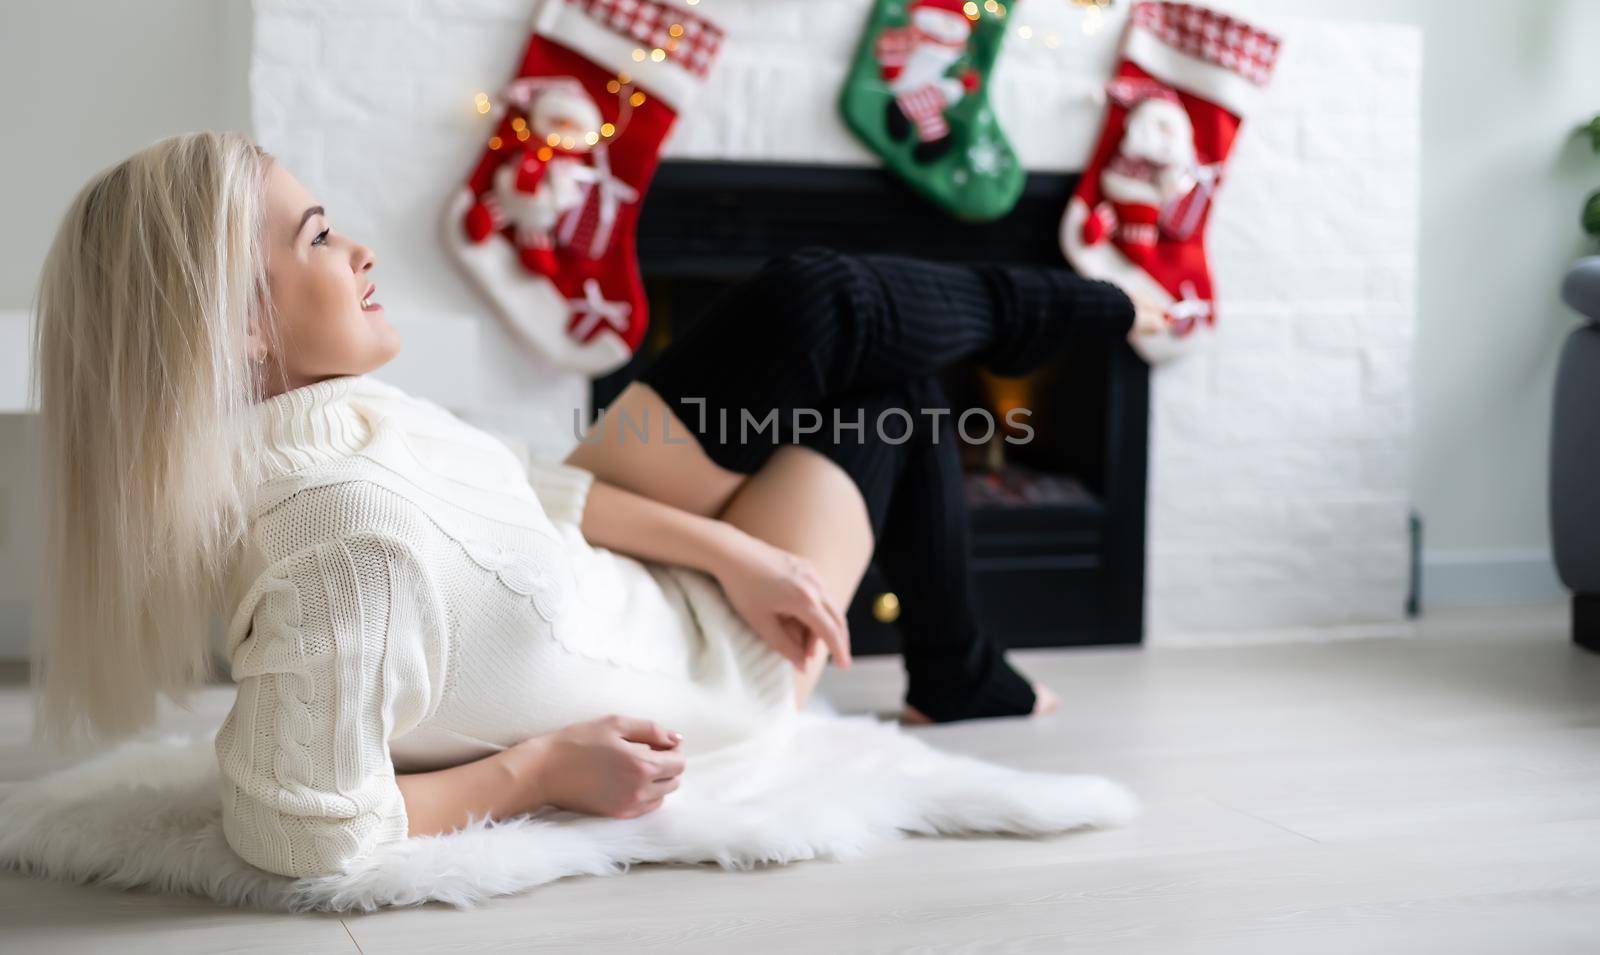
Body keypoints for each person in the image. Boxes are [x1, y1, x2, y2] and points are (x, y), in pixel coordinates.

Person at [33, 133, 1163, 879]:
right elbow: (297, 826)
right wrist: (539, 773)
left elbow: (541, 490)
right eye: (318, 236)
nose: (359, 246)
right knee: (878, 368)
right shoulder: (341, 537)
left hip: (669, 572)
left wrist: (732, 550)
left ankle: (958, 656)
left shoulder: (348, 417)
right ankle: (1099, 305)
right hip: (721, 661)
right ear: (240, 324)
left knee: (822, 313)